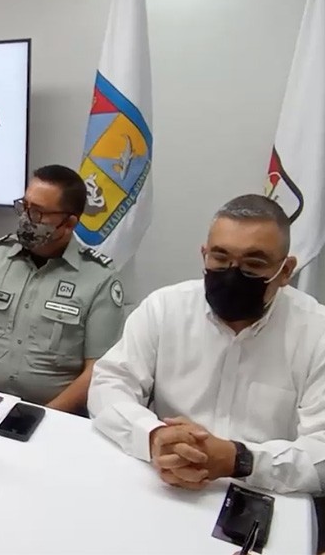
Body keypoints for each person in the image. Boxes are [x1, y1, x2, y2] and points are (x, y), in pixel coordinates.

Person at [88, 194, 325, 494]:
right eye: (220, 258)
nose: (233, 274)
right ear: (204, 254)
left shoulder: (316, 332)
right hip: (163, 480)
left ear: (286, 270)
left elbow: (320, 453)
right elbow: (109, 384)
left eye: (253, 264)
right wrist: (153, 436)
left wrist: (239, 460)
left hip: (264, 493)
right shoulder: (165, 308)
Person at [0, 165, 125, 412]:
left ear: (68, 223)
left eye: (37, 212)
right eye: (24, 206)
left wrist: (43, 415)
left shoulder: (99, 278)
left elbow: (98, 368)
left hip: (55, 415)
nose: (25, 218)